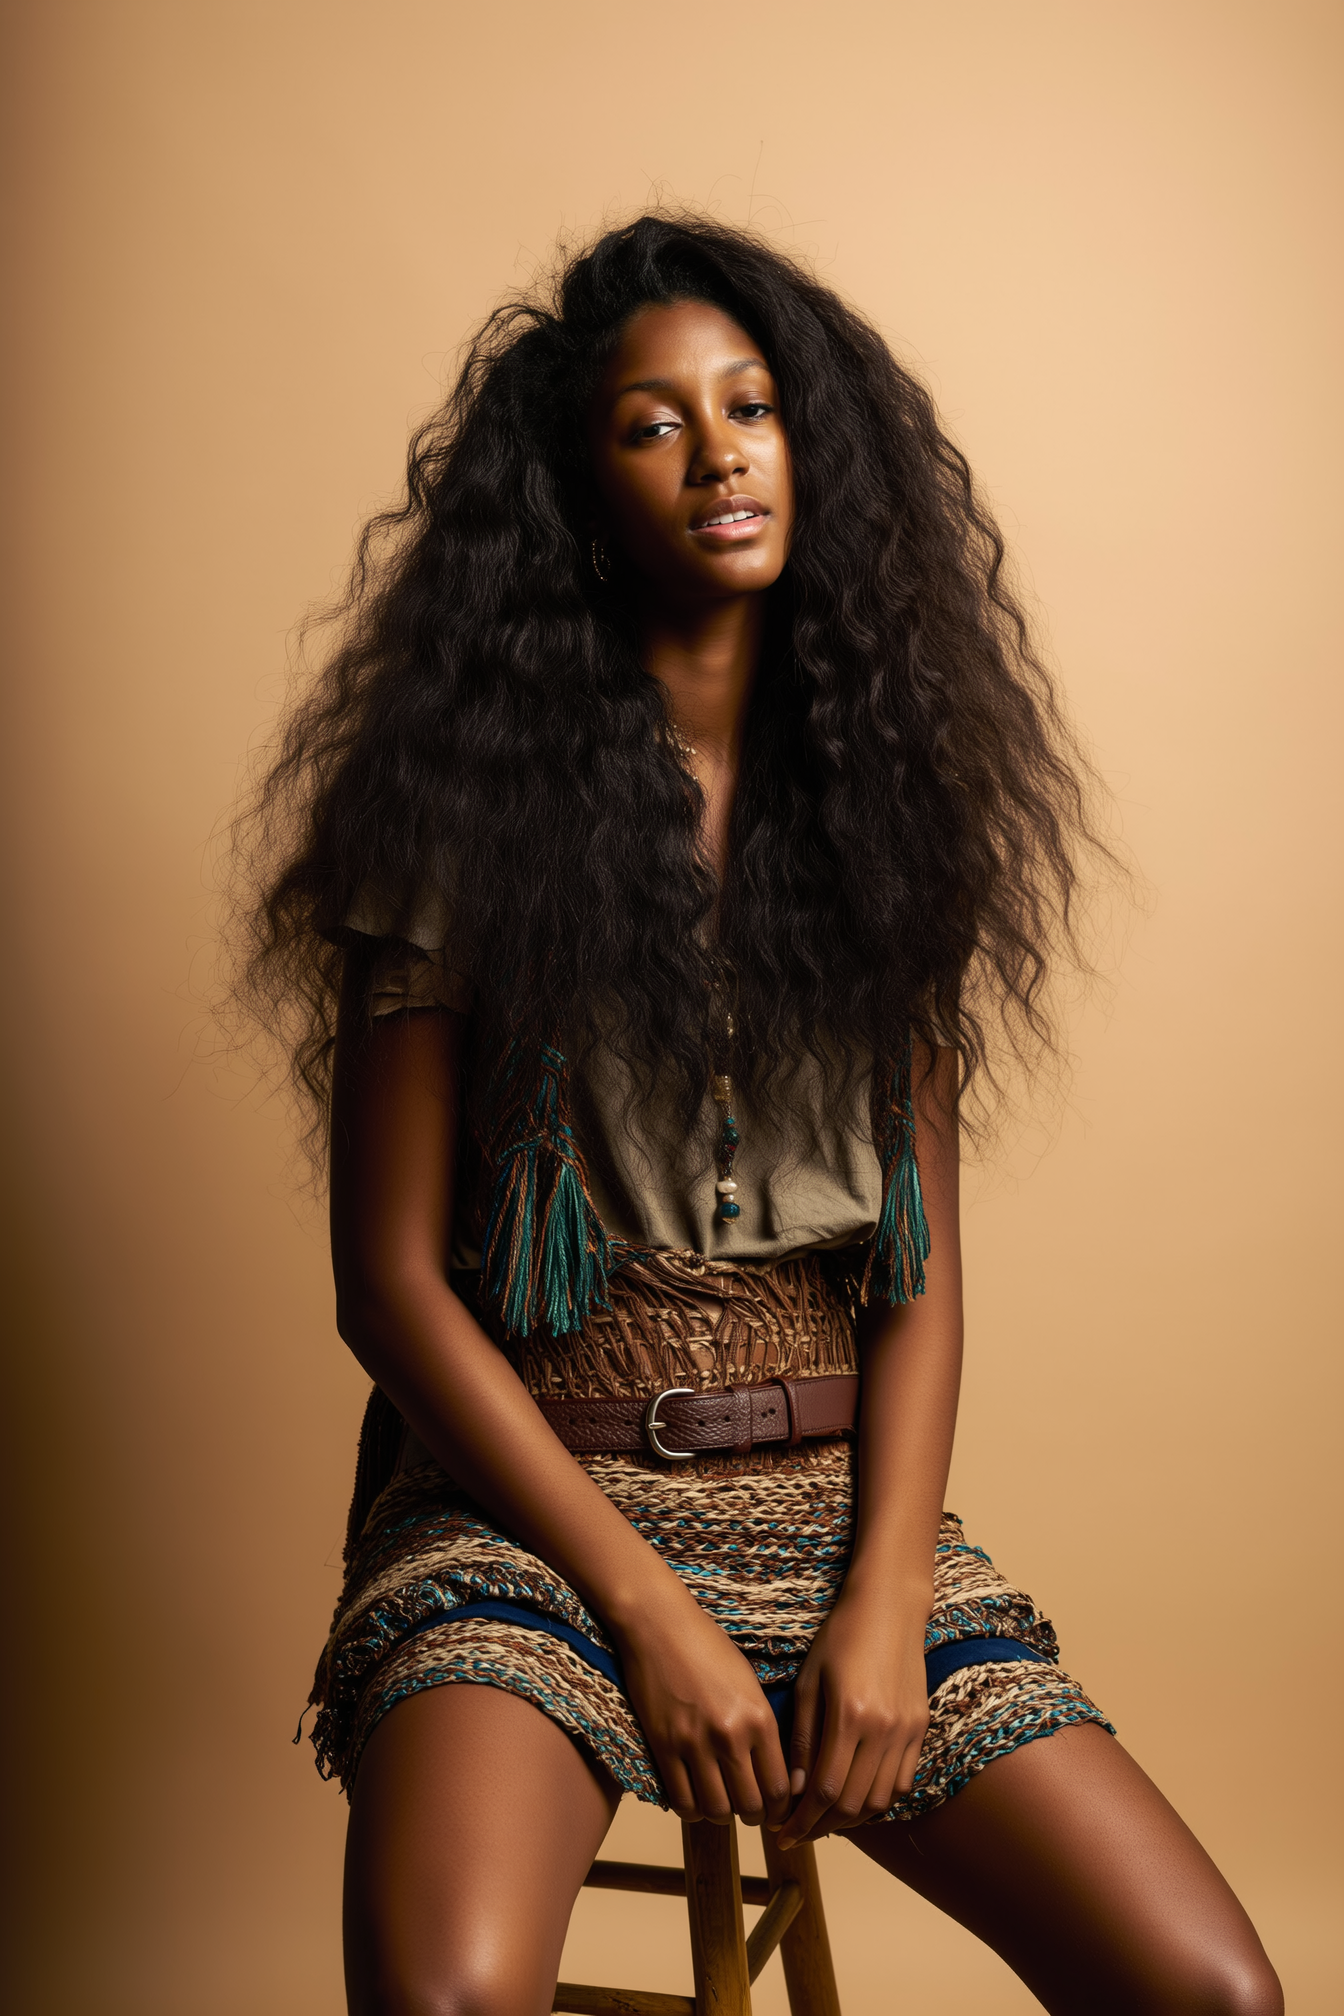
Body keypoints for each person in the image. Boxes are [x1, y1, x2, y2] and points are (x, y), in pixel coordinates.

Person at [242, 214, 1281, 2015]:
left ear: (816, 450)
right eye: (654, 425)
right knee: (446, 2000)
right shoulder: (455, 818)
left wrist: (885, 1603)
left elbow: (918, 1276)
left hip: (836, 1509)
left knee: (1214, 1994)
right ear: (581, 494)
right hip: (527, 1521)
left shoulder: (893, 816)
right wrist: (645, 1609)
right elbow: (389, 1286)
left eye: (754, 407)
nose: (720, 454)